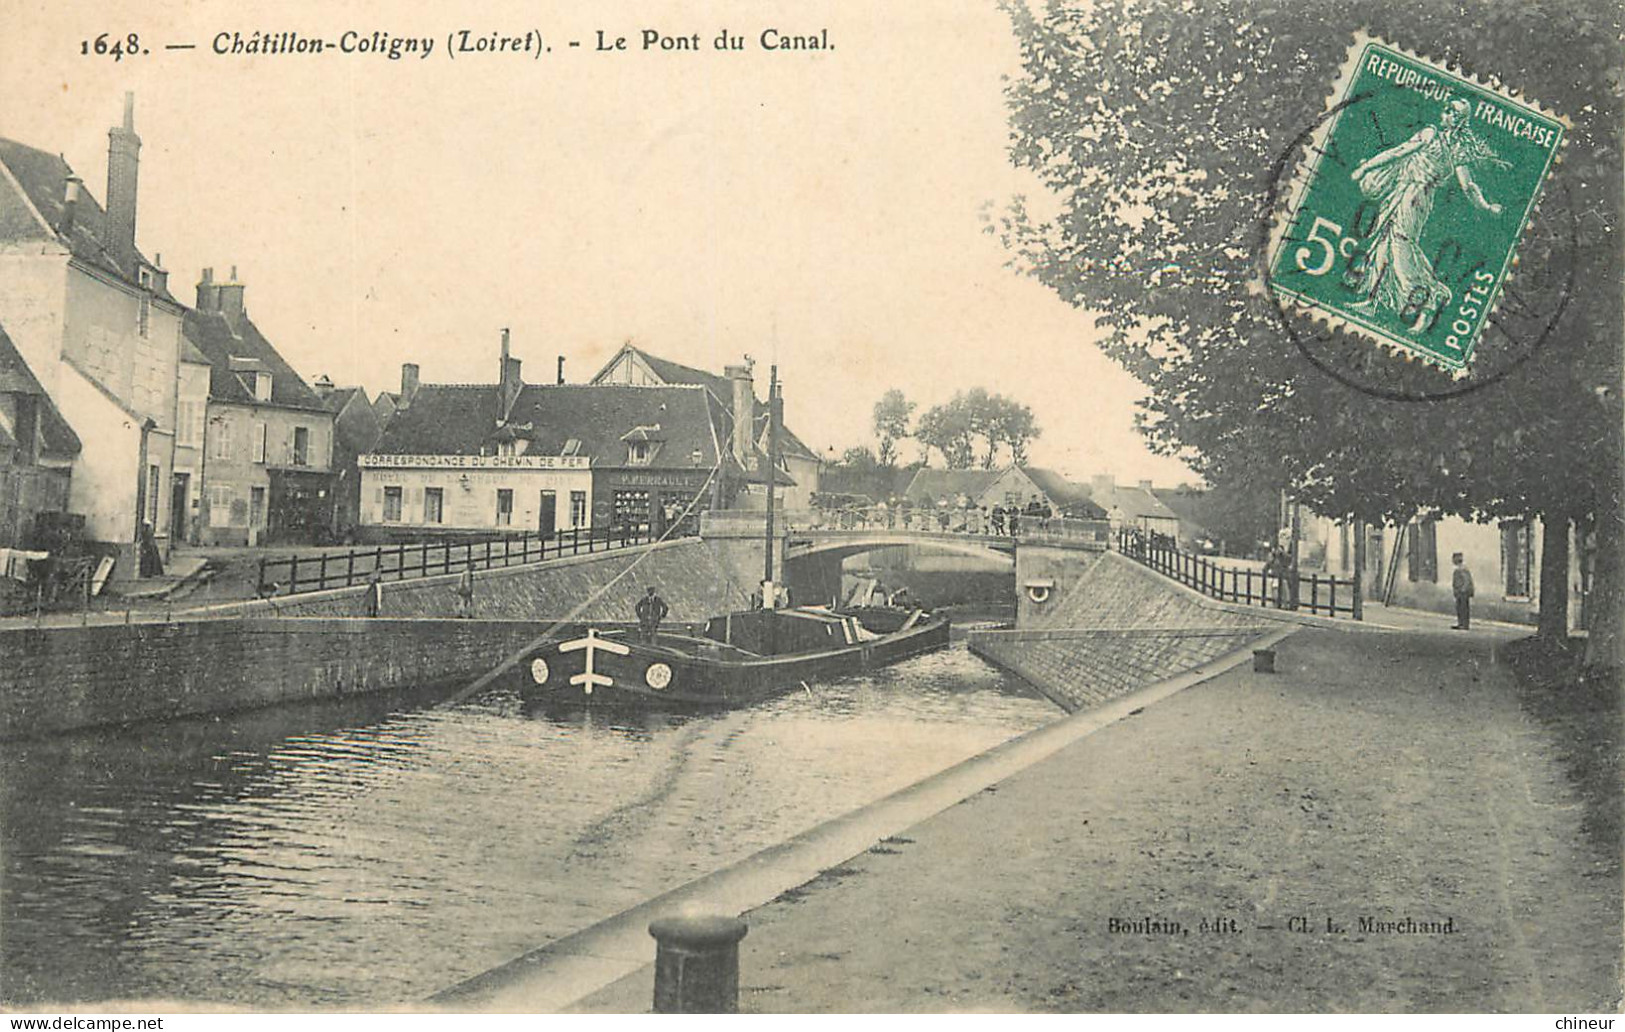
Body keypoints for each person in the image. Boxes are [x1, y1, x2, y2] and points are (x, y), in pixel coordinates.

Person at [1348, 97, 1508, 330]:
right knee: (1383, 241)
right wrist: (1368, 166)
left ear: (1459, 120)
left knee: (1400, 245)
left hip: (1414, 198)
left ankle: (1429, 295)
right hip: (1404, 192)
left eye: (1451, 111)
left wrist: (1485, 206)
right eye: (1446, 109)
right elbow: (1400, 152)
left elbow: (1468, 186)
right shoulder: (1443, 141)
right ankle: (1374, 301)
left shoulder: (1445, 144)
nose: (1445, 113)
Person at [1451, 552, 1474, 630]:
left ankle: (1464, 624)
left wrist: (1463, 589)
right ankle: (1461, 623)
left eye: (1454, 558)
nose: (1452, 560)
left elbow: (1466, 580)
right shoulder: (1459, 568)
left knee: (1463, 608)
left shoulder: (1462, 569)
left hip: (1463, 592)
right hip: (1460, 591)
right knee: (1459, 607)